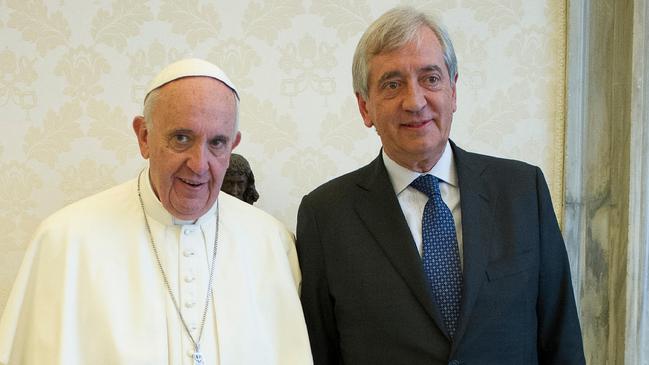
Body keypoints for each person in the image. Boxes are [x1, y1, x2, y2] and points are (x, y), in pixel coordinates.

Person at [296, 7, 585, 365]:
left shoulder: (524, 191)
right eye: (391, 84)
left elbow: (562, 342)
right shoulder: (325, 216)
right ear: (364, 107)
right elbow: (318, 352)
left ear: (453, 90)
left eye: (430, 78)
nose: (415, 101)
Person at [0, 58, 313, 365]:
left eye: (217, 142)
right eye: (181, 138)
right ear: (144, 137)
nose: (199, 164)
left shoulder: (272, 242)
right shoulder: (64, 241)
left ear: (233, 146)